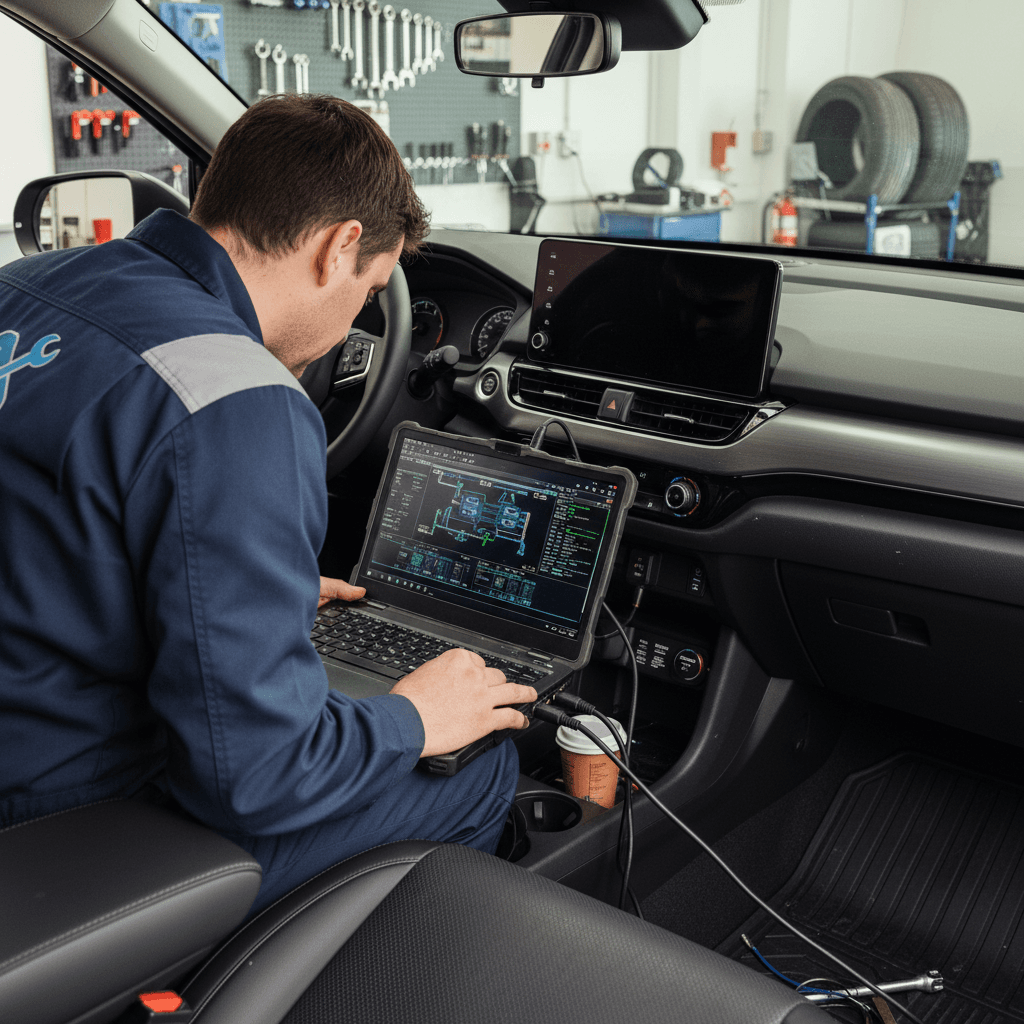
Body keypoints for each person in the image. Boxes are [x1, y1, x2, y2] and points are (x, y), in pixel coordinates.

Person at [0, 95, 536, 913]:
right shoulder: (237, 396)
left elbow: (50, 530)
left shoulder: (24, 287)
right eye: (373, 289)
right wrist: (413, 719)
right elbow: (254, 778)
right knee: (481, 763)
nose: (360, 314)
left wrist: (243, 589)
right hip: (60, 816)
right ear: (338, 247)